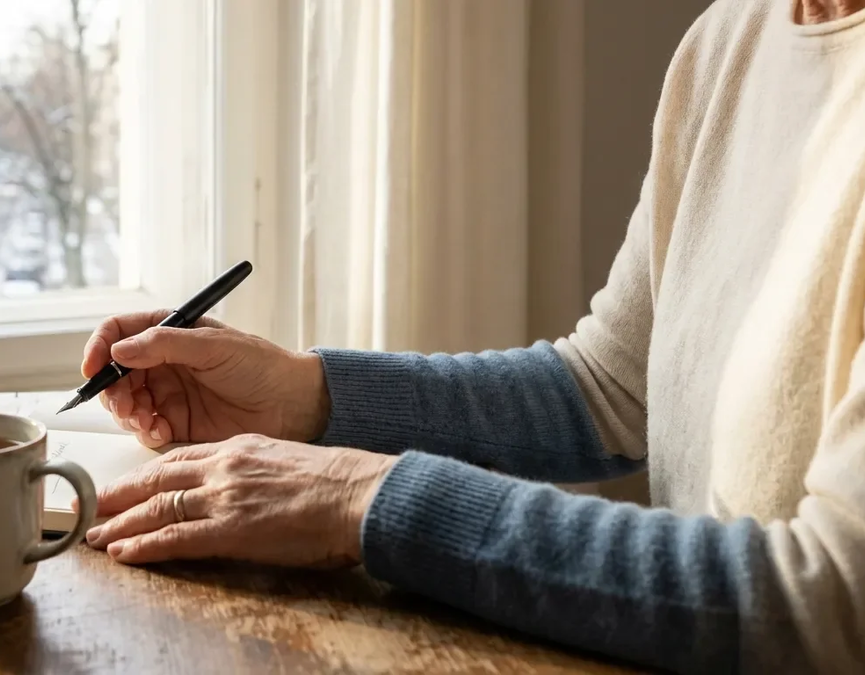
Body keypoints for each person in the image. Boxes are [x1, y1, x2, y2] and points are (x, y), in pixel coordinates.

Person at [77, 0, 865, 671]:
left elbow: (827, 600)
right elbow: (607, 387)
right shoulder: (734, 37)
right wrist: (306, 399)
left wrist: (362, 498)